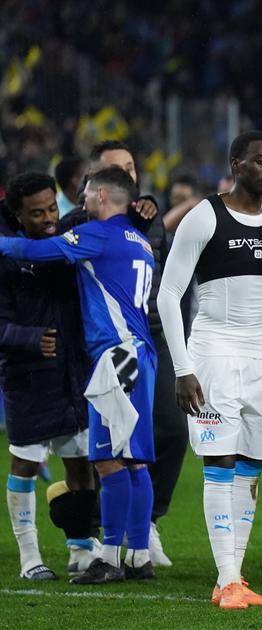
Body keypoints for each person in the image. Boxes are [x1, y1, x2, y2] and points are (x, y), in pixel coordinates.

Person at [156, 131, 262, 609]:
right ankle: (228, 576)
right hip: (213, 352)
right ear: (236, 163)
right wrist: (183, 367)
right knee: (218, 461)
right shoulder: (204, 216)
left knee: (251, 465)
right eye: (260, 161)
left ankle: (231, 579)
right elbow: (169, 294)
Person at [0, 166, 159, 585]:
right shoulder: (139, 240)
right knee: (134, 461)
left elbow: (36, 252)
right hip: (140, 356)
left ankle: (107, 556)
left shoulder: (98, 235)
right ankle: (139, 555)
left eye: (85, 193)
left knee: (107, 461)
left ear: (103, 196)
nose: (79, 201)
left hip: (115, 357)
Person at [89, 140, 181, 569]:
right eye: (117, 169)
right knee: (116, 453)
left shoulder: (144, 221)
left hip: (140, 339)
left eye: (132, 166)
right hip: (117, 343)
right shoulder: (95, 223)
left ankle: (135, 536)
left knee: (151, 441)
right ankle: (119, 542)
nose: (129, 174)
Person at [0, 173, 93, 581]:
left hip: (73, 375)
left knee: (82, 463)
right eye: (36, 213)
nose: (48, 218)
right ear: (17, 215)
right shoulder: (7, 260)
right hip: (29, 378)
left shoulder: (68, 247)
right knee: (24, 463)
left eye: (52, 208)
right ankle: (29, 557)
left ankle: (81, 549)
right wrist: (31, 339)